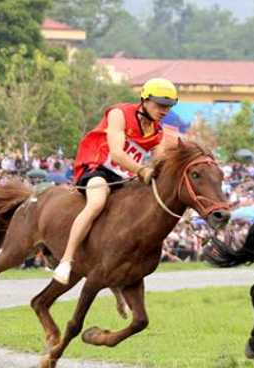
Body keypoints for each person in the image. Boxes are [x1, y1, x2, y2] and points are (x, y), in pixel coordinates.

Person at [52, 78, 178, 284]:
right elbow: (117, 154)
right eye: (159, 105)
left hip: (122, 178)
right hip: (96, 168)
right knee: (97, 203)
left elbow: (160, 161)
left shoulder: (158, 132)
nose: (164, 111)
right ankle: (66, 260)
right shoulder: (119, 113)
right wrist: (141, 170)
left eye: (168, 107)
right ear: (144, 100)